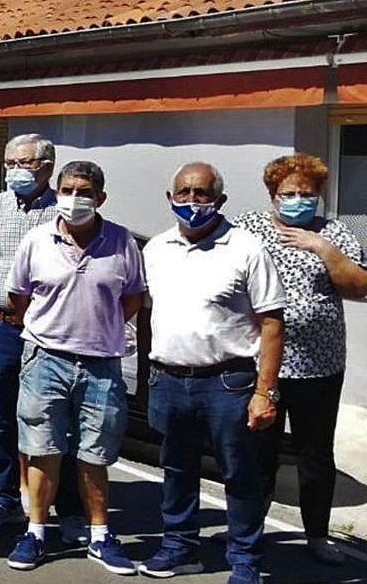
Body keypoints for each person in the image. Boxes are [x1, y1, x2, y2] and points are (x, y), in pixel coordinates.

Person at [139, 162, 285, 584]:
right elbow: (147, 315)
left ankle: (244, 561)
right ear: (170, 198)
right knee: (176, 469)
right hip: (168, 378)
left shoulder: (246, 248)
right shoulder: (157, 249)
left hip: (228, 381)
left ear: (219, 200)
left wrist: (265, 391)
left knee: (239, 474)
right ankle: (179, 548)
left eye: (201, 194)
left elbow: (273, 322)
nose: (191, 202)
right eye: (182, 193)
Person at [2, 161, 145, 574]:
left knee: (95, 453)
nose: (74, 198)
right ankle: (35, 532)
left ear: (101, 197)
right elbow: (19, 297)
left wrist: (98, 328)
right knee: (42, 449)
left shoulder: (122, 243)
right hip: (45, 360)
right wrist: (55, 327)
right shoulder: (36, 240)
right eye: (67, 189)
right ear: (57, 192)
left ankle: (100, 535)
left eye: (84, 191)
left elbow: (132, 299)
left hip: (102, 363)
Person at [233, 154, 367, 566]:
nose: (296, 201)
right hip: (261, 364)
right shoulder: (248, 228)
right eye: (287, 194)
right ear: (272, 195)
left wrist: (322, 248)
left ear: (318, 196)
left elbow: (360, 286)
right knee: (259, 453)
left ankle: (316, 536)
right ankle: (250, 534)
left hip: (319, 365)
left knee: (315, 454)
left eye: (305, 194)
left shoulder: (333, 232)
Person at [0, 133, 86, 542]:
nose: (15, 171)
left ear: (48, 168)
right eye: (11, 163)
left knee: (58, 422)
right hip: (1, 328)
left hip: (53, 334)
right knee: (1, 419)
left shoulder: (66, 210)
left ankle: (67, 508)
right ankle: (4, 498)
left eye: (26, 164)